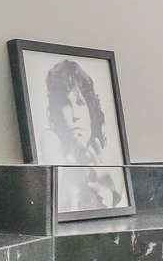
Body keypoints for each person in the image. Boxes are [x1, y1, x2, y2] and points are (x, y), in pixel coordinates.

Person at [43, 56, 128, 211]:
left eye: (80, 103)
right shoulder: (52, 154)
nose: (75, 115)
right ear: (56, 113)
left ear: (90, 111)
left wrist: (111, 200)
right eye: (66, 105)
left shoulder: (111, 161)